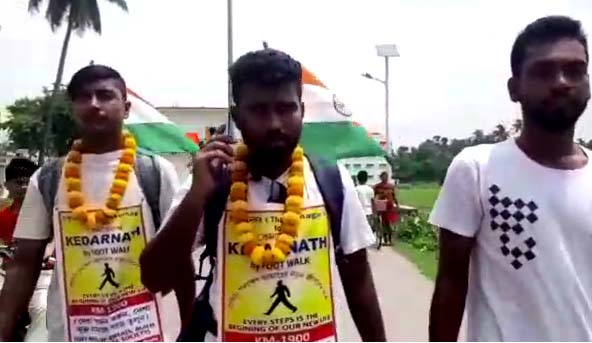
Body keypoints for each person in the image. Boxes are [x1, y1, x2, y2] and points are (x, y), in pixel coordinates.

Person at [140, 49, 385, 342]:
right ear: (237, 116)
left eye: (286, 109)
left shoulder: (332, 180)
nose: (274, 124)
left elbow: (358, 280)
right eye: (258, 110)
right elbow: (154, 277)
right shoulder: (213, 180)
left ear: (302, 111)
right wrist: (196, 196)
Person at [429, 16, 592, 341]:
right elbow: (450, 282)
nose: (562, 82)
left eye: (575, 70)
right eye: (544, 71)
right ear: (514, 88)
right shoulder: (477, 168)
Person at [0, 65, 182, 341]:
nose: (94, 104)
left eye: (105, 95)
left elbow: (179, 255)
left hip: (146, 332)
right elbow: (25, 263)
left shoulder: (155, 171)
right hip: (73, 333)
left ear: (126, 107)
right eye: (84, 97)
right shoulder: (49, 178)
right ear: (73, 107)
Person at [0, 158, 38, 245]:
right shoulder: (2, 218)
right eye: (19, 182)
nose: (24, 187)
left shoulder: (44, 216)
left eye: (28, 183)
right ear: (7, 185)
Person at [374, 171, 399, 246]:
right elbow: (374, 196)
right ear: (381, 178)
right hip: (381, 206)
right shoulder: (377, 186)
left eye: (386, 177)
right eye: (383, 177)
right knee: (383, 223)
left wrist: (397, 204)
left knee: (389, 223)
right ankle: (385, 239)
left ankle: (390, 240)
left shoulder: (391, 186)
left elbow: (394, 196)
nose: (384, 178)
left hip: (389, 206)